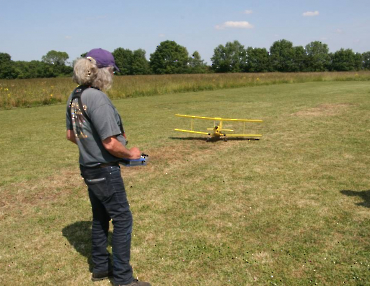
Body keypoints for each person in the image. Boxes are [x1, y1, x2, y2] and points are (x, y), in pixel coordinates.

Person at [66, 48, 151, 286]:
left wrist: (90, 148)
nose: (113, 75)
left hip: (89, 168)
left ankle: (101, 268)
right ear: (102, 72)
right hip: (105, 170)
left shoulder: (75, 95)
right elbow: (110, 142)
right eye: (112, 70)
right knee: (123, 219)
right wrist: (132, 154)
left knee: (100, 218)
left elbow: (71, 135)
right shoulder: (98, 98)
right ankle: (124, 279)